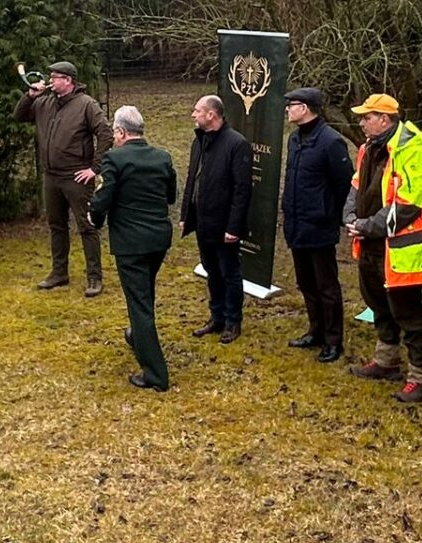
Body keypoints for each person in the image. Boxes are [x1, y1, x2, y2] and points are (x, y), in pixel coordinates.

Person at [342, 94, 422, 404]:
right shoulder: (368, 148)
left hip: (400, 248)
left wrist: (367, 225)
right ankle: (387, 359)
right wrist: (350, 216)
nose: (360, 122)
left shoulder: (412, 150)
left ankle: (421, 375)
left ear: (384, 119)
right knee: (377, 303)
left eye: (366, 117)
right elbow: (356, 186)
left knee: (408, 312)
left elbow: (409, 203)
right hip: (371, 242)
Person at [90, 106, 175, 392]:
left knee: (138, 303)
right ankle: (139, 336)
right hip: (159, 239)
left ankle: (155, 375)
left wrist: (94, 218)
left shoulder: (114, 159)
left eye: (115, 133)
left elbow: (102, 198)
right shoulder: (163, 157)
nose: (113, 138)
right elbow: (171, 195)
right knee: (145, 292)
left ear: (121, 132)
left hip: (131, 243)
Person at [15, 61, 110, 297]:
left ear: (68, 80)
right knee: (56, 225)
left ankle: (94, 278)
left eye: (55, 77)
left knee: (87, 227)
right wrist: (29, 95)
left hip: (76, 176)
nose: (49, 80)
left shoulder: (86, 104)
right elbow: (19, 116)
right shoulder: (44, 102)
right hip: (51, 176)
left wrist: (94, 168)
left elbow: (105, 133)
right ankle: (59, 273)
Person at [279, 87, 353, 364]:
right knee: (305, 282)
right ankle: (316, 330)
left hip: (319, 225)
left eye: (292, 105)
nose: (287, 109)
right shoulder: (294, 139)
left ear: (306, 108)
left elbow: (344, 183)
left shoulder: (331, 142)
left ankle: (333, 340)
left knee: (326, 285)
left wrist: (330, 215)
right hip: (296, 223)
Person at [179, 95, 252, 344]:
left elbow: (242, 191)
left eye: (197, 110)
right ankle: (217, 317)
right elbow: (192, 179)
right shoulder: (198, 142)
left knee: (229, 272)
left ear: (212, 115)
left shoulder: (236, 144)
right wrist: (185, 215)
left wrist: (234, 227)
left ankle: (233, 321)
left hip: (224, 225)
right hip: (203, 221)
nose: (193, 114)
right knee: (211, 271)